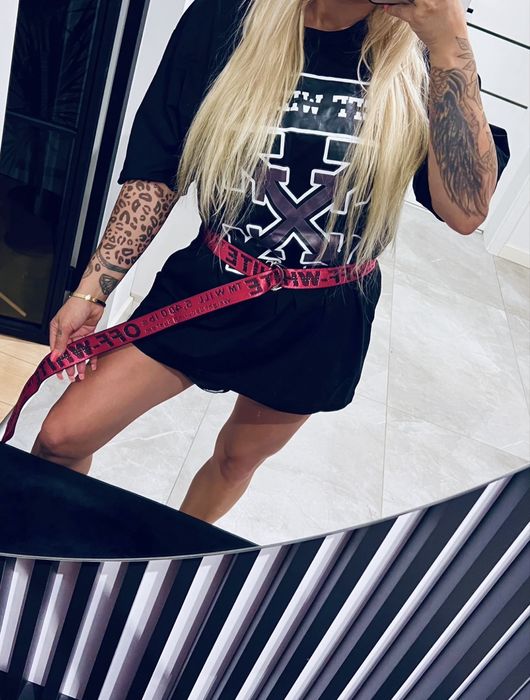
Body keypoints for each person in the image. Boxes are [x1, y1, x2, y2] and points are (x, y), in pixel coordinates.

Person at [30, 0, 510, 524]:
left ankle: (179, 557)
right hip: (212, 282)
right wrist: (94, 287)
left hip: (321, 315)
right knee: (62, 437)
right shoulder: (228, 15)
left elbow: (466, 212)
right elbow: (160, 164)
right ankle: (53, 549)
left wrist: (448, 44)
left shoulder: (423, 52)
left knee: (235, 461)